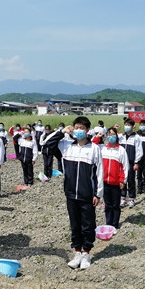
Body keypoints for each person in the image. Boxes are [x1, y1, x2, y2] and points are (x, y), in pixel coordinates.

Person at [43, 116, 103, 270]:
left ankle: (86, 253)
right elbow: (46, 145)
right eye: (76, 127)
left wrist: (98, 194)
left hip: (87, 194)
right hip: (70, 193)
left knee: (88, 225)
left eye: (82, 128)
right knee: (75, 224)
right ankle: (77, 252)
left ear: (88, 130)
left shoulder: (94, 148)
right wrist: (61, 132)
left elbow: (99, 173)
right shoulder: (66, 146)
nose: (78, 131)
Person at [93, 128, 129, 231]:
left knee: (115, 205)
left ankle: (115, 225)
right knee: (108, 205)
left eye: (113, 134)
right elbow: (92, 146)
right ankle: (109, 223)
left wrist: (123, 180)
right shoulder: (102, 148)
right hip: (105, 182)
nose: (111, 137)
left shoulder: (121, 150)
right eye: (109, 134)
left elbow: (125, 166)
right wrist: (97, 137)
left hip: (116, 182)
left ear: (117, 136)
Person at [117, 118, 142, 208]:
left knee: (131, 181)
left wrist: (136, 162)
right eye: (126, 125)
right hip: (121, 163)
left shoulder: (136, 137)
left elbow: (139, 150)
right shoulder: (121, 137)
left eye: (129, 125)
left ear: (133, 126)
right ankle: (123, 198)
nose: (127, 127)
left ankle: (131, 199)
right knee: (122, 180)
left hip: (131, 163)